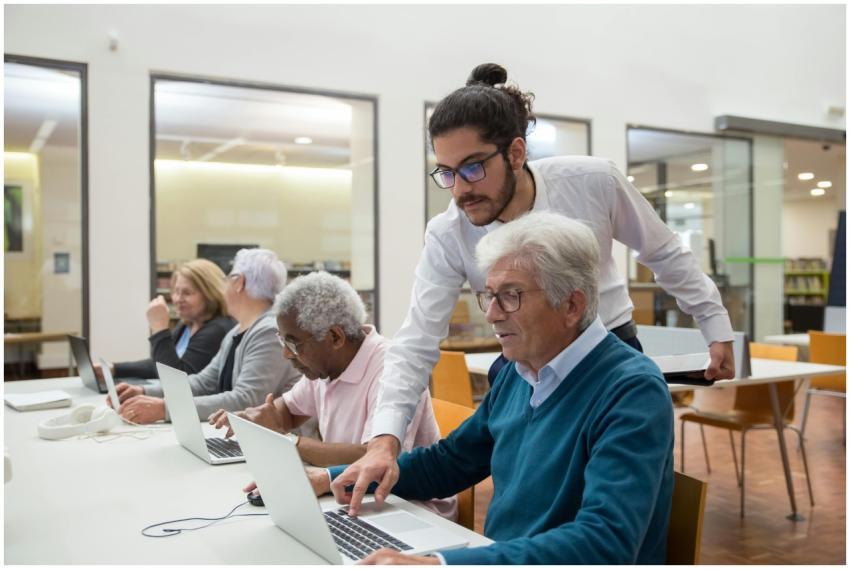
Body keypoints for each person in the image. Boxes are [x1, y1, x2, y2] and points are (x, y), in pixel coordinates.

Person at [338, 62, 734, 513]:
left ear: (516, 152)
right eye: (446, 172)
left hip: (607, 359)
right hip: (524, 371)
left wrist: (714, 324)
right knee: (529, 507)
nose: (459, 191)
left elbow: (663, 252)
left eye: (472, 168)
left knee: (611, 510)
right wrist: (384, 440)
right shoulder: (449, 231)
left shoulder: (592, 182)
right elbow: (415, 342)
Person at [325, 212, 674, 564]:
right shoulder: (518, 370)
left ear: (571, 305)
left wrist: (442, 564)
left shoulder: (631, 390)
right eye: (489, 295)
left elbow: (604, 543)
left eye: (511, 296)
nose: (491, 314)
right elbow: (450, 463)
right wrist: (333, 478)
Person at [208, 271, 455, 520]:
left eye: (293, 344)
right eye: (281, 340)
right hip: (350, 492)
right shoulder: (324, 368)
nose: (285, 354)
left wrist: (290, 442)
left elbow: (372, 457)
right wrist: (256, 418)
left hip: (409, 506)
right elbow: (287, 411)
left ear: (335, 337)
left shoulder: (392, 370)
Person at [113, 249, 301, 424]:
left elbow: (246, 400)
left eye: (227, 279)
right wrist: (144, 391)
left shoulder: (269, 332)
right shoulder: (237, 332)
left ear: (238, 282)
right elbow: (203, 383)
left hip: (275, 445)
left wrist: (165, 409)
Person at [100, 259, 235, 380]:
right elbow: (160, 363)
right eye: (176, 292)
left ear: (210, 295)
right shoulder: (187, 325)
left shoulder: (217, 330)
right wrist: (114, 369)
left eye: (187, 293)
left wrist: (159, 328)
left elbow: (176, 379)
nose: (178, 299)